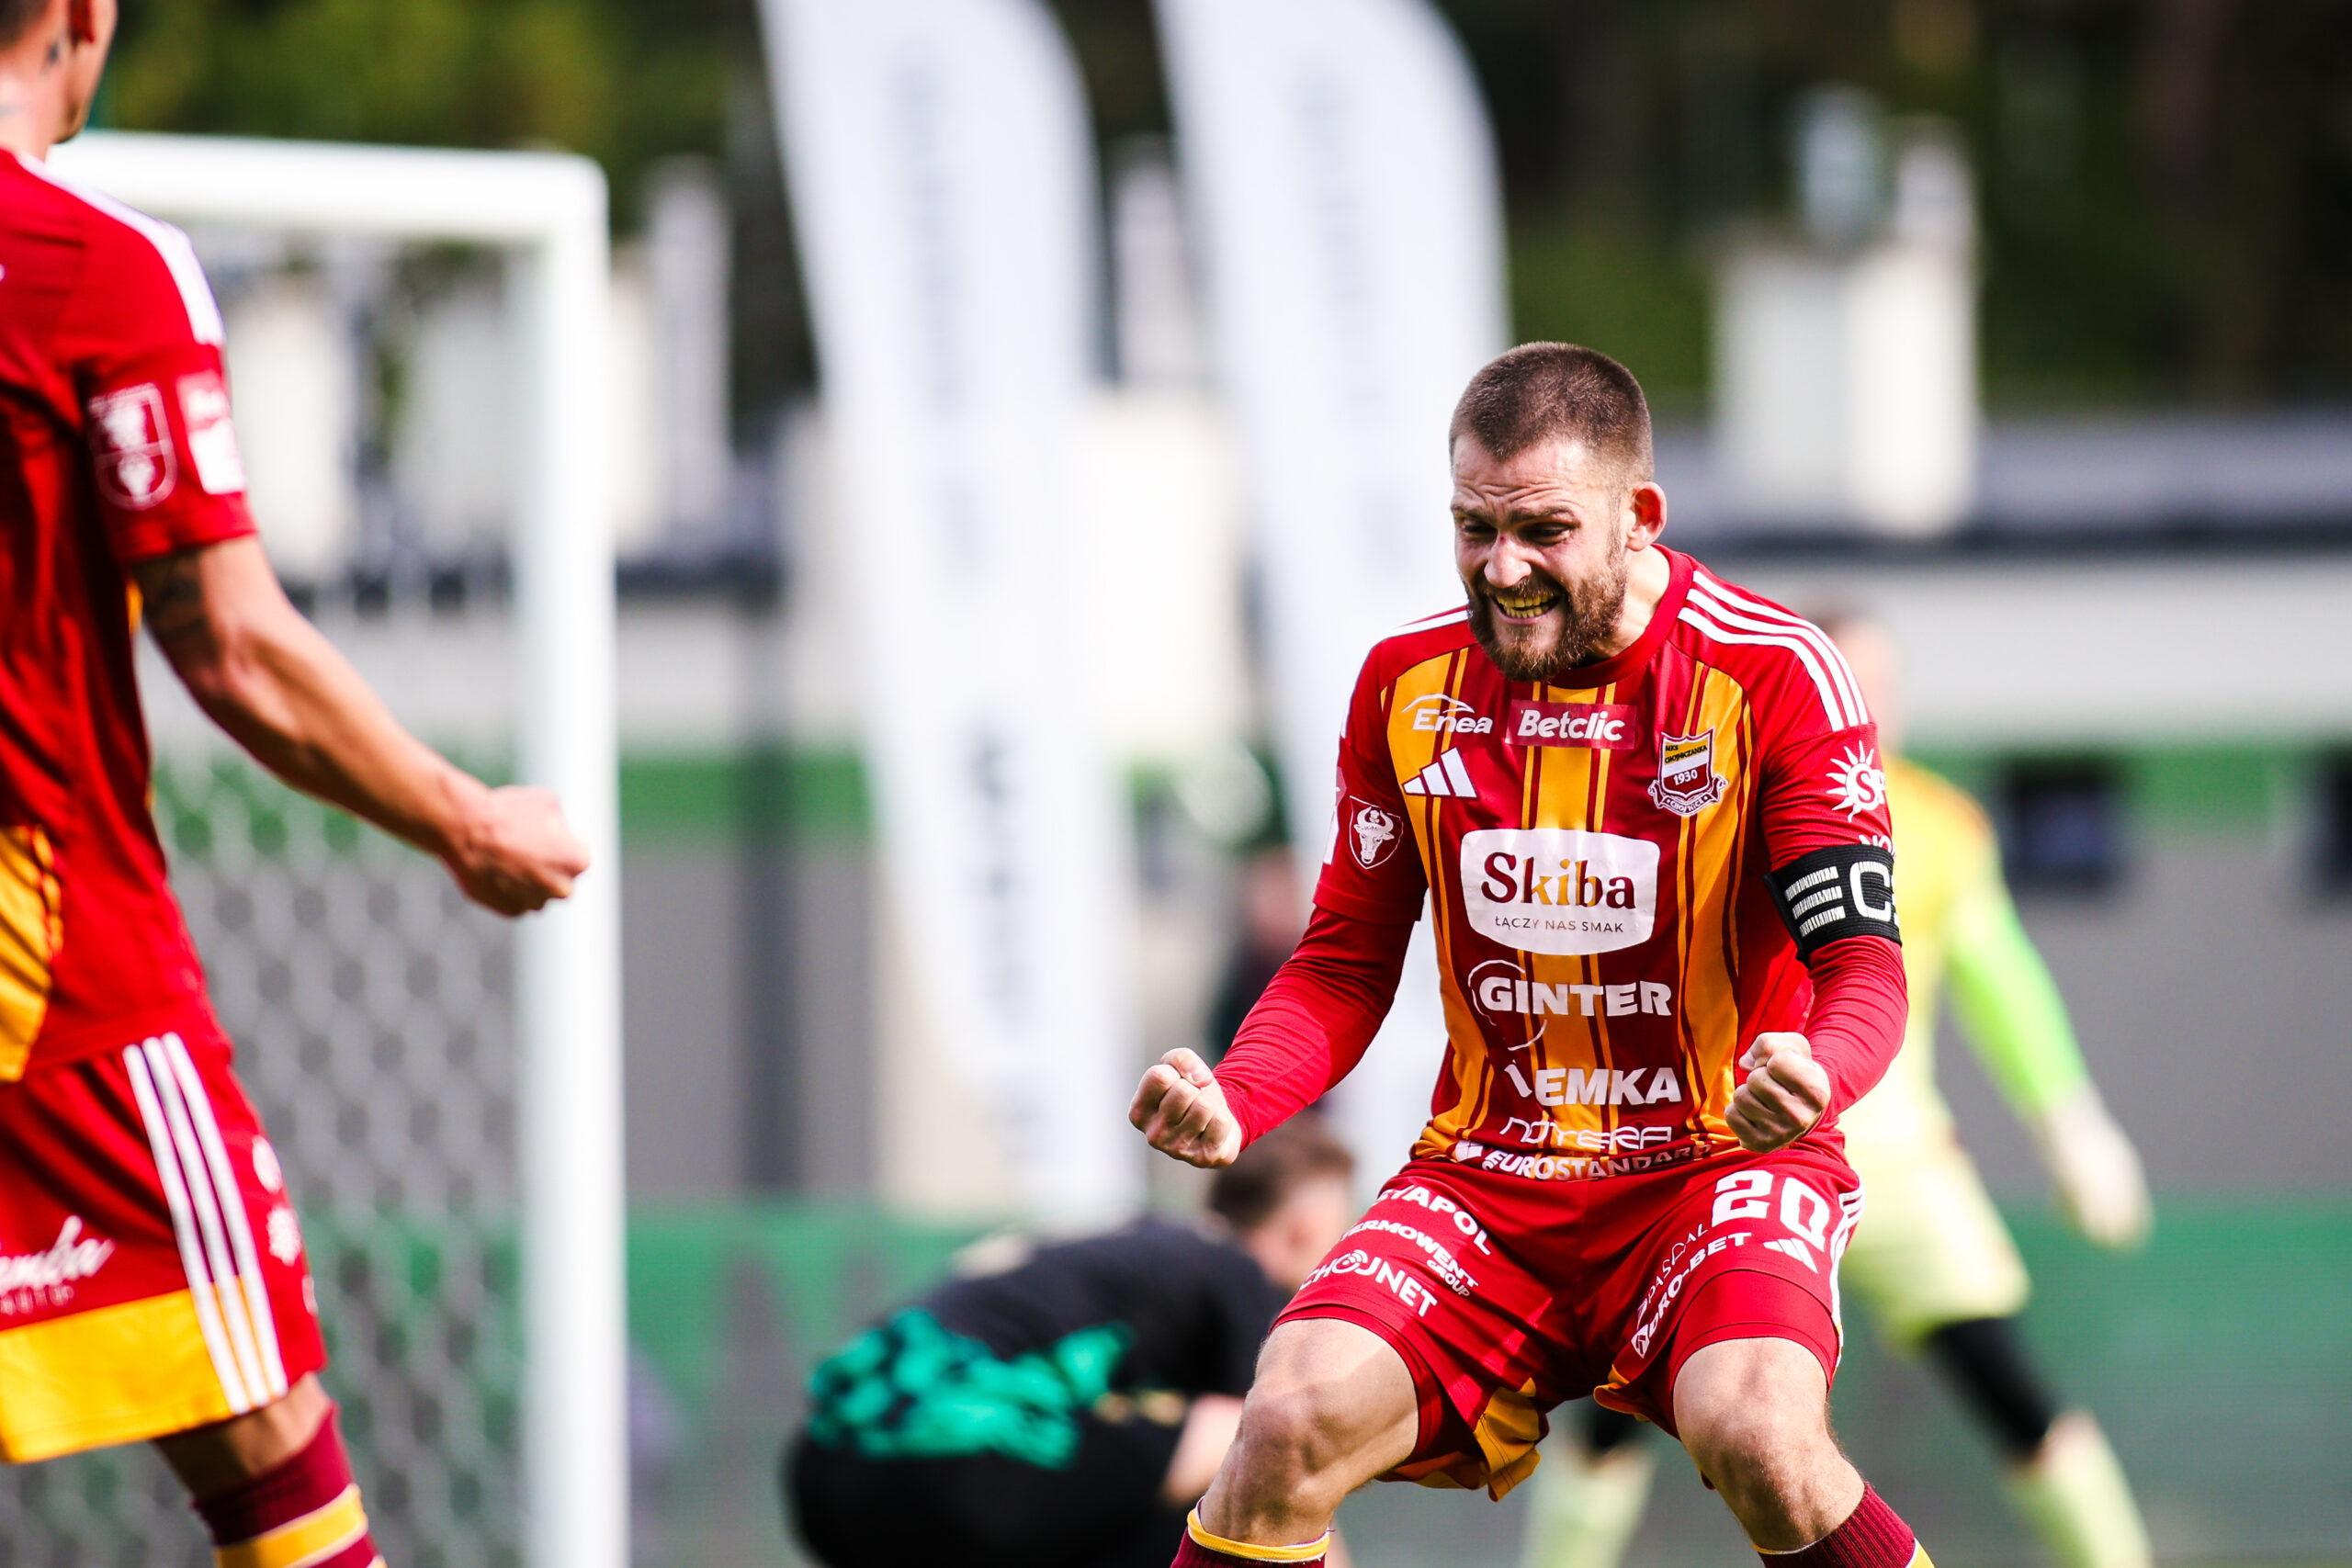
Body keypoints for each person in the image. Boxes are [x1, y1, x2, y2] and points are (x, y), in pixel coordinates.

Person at [1133, 343, 1931, 1568]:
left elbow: (1864, 964)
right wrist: (1240, 1096)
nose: (1502, 569)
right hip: (1490, 1177)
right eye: (1474, 527)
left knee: (1760, 1432)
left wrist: (1820, 1068)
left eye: (1544, 530)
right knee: (1284, 1421)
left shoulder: (1773, 672)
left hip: (1711, 1167)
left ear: (1639, 514)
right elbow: (1343, 961)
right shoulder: (1406, 683)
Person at [0, 3, 591, 1564]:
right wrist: (467, 816)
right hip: (45, 956)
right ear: (80, 16)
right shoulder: (89, 263)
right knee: (259, 1416)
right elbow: (230, 640)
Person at [1517, 619, 2155, 1568]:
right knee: (1620, 1410)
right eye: (1843, 680)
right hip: (1720, 1161)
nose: (1865, 702)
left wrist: (2070, 1123)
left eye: (1877, 681)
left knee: (2012, 1392)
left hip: (1894, 1163)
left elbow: (2001, 977)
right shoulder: (1698, 798)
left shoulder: (1935, 823)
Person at [785, 1121, 1359, 1568]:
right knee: (1257, 1454)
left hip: (828, 1463)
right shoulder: (1233, 1270)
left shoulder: (1134, 1241)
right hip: (954, 1454)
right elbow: (1270, 1452)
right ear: (1306, 1227)